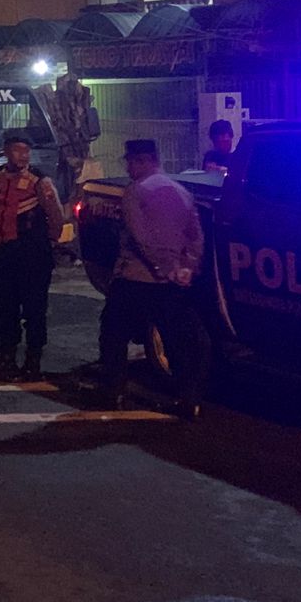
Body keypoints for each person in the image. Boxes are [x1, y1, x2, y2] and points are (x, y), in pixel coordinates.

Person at [99, 139, 208, 419]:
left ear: (142, 161)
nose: (128, 168)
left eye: (130, 162)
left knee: (113, 334)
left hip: (136, 278)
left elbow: (141, 238)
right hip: (171, 284)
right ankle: (188, 399)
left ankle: (113, 392)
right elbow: (195, 236)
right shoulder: (182, 192)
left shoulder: (135, 192)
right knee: (178, 340)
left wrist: (163, 268)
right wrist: (186, 267)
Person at [0, 130, 64, 379]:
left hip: (33, 254)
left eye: (26, 151)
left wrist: (48, 243)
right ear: (6, 151)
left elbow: (56, 217)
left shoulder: (39, 181)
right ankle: (7, 356)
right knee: (6, 307)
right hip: (6, 252)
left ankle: (33, 361)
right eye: (17, 150)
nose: (23, 155)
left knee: (34, 310)